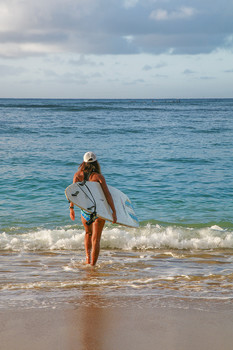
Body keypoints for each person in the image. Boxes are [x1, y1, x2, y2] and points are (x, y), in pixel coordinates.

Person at [69, 152, 117, 266]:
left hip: (85, 211)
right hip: (99, 211)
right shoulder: (98, 177)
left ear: (84, 162)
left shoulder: (77, 176)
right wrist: (114, 211)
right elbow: (107, 195)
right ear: (96, 162)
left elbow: (73, 194)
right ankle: (93, 265)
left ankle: (87, 259)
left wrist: (71, 208)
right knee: (96, 239)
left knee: (88, 234)